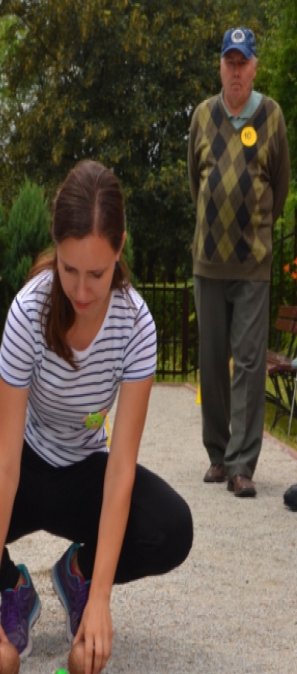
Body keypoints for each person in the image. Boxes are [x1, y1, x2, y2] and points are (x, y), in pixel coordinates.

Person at [0, 161, 193, 674]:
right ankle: (14, 589)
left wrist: (101, 600)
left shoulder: (137, 326)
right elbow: (3, 463)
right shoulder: (28, 312)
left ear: (120, 248)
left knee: (172, 529)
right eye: (69, 270)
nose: (82, 291)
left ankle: (77, 574)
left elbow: (120, 470)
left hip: (86, 471)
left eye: (97, 273)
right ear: (55, 249)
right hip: (21, 464)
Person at [188, 26, 290, 498]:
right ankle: (217, 454)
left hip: (253, 265)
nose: (235, 70)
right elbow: (196, 181)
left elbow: (282, 186)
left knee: (248, 363)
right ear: (221, 67)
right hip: (209, 262)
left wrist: (257, 231)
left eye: (242, 62)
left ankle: (242, 465)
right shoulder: (202, 116)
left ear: (254, 67)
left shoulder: (272, 116)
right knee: (212, 363)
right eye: (229, 61)